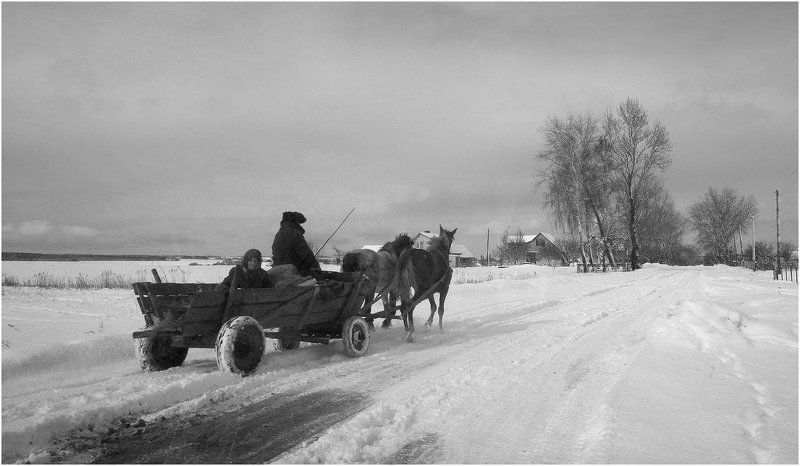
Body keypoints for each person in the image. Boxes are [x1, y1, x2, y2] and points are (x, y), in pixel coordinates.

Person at [271, 211, 321, 276]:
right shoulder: (295, 234)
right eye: (299, 223)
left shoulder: (279, 234)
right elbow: (307, 255)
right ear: (295, 222)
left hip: (278, 273)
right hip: (293, 274)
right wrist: (316, 268)